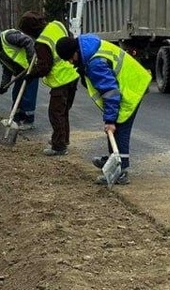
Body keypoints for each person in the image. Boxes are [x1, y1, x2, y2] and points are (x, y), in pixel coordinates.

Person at [54, 34, 151, 185]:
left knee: (119, 126)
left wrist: (110, 120)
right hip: (130, 82)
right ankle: (113, 158)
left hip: (131, 88)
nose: (70, 62)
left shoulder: (95, 63)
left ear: (75, 52)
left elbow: (110, 93)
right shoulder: (88, 46)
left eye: (69, 58)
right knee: (114, 127)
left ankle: (121, 170)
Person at [18, 11, 79, 156]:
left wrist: (31, 74)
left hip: (61, 80)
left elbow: (44, 67)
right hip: (73, 74)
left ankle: (59, 147)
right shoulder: (56, 25)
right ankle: (63, 140)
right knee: (63, 112)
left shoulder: (41, 43)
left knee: (55, 113)